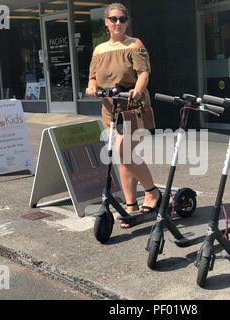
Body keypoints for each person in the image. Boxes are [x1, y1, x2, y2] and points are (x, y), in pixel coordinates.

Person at [86, 3, 161, 228]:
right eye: (114, 19)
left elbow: (143, 73)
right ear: (106, 23)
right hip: (110, 110)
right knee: (123, 158)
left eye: (122, 19)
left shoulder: (134, 44)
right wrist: (91, 87)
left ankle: (152, 192)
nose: (118, 23)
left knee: (124, 152)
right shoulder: (99, 50)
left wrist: (137, 90)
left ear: (127, 22)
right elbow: (92, 78)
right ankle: (131, 206)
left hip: (132, 107)